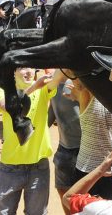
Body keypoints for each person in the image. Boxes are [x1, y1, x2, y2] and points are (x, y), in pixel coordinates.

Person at [0, 69, 61, 214]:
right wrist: (34, 87)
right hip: (10, 166)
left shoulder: (44, 88)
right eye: (22, 67)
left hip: (38, 166)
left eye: (31, 66)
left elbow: (59, 77)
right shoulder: (3, 90)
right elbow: (6, 105)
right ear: (13, 71)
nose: (28, 71)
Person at [50, 78, 81, 214]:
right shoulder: (54, 85)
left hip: (73, 150)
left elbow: (47, 120)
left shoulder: (55, 85)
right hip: (69, 151)